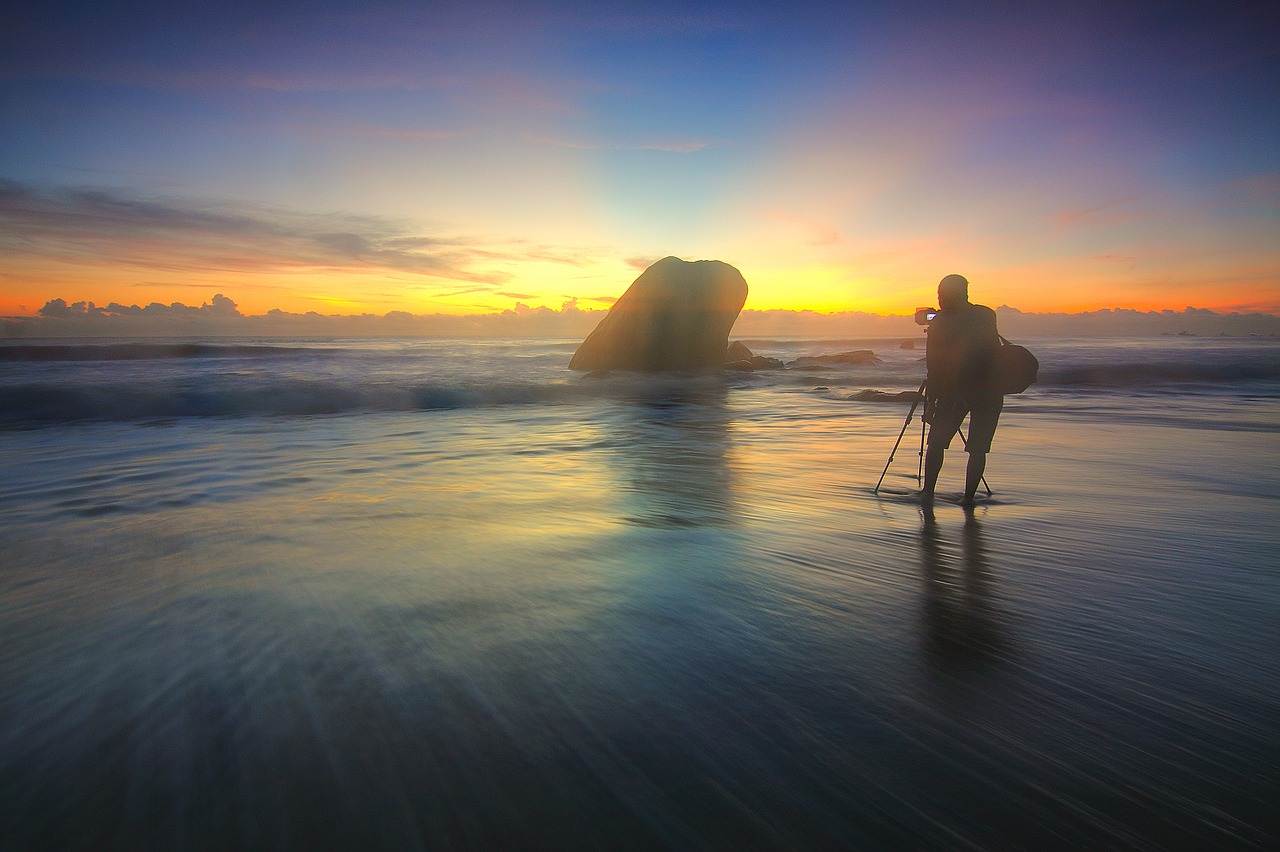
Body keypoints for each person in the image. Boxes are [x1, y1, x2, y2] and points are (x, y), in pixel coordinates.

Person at [921, 274, 1002, 506]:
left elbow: (933, 364)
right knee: (978, 449)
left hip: (953, 390)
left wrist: (931, 400)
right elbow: (991, 349)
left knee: (936, 442)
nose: (939, 299)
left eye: (940, 294)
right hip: (991, 390)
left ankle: (928, 493)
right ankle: (968, 499)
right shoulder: (986, 315)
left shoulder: (940, 322)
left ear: (948, 294)